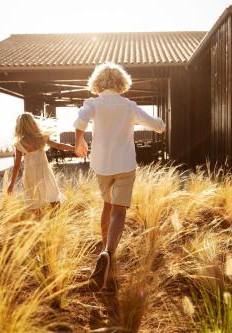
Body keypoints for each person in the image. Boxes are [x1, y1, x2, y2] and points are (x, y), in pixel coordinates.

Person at [73, 62, 166, 291]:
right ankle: (108, 253)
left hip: (102, 165)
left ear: (98, 83)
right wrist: (161, 123)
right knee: (119, 211)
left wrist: (79, 140)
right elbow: (158, 126)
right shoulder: (129, 106)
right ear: (121, 83)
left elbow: (81, 119)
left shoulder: (93, 103)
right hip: (124, 164)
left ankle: (105, 249)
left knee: (107, 205)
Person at [7, 112, 74, 210]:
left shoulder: (19, 144)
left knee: (34, 202)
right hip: (45, 173)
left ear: (20, 126)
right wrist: (75, 148)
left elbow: (17, 166)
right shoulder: (41, 138)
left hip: (30, 175)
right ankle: (55, 221)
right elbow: (58, 146)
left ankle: (38, 222)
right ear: (32, 123)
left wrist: (11, 184)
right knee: (53, 197)